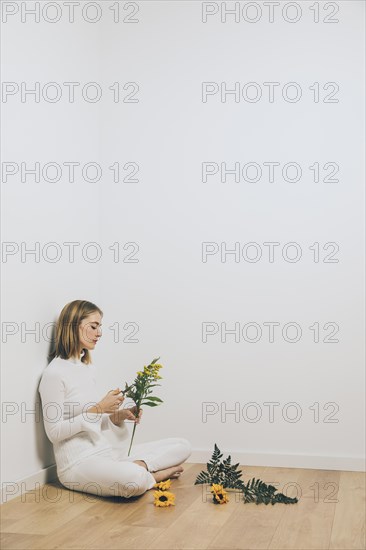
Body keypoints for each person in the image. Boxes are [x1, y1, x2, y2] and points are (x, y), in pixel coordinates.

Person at [38, 300, 192, 499]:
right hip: (78, 464)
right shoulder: (54, 374)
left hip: (106, 453)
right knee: (132, 481)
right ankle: (152, 476)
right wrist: (99, 409)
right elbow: (54, 432)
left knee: (183, 445)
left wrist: (116, 417)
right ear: (73, 326)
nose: (99, 332)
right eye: (94, 326)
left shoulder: (87, 369)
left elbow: (92, 422)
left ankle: (139, 467)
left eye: (100, 326)